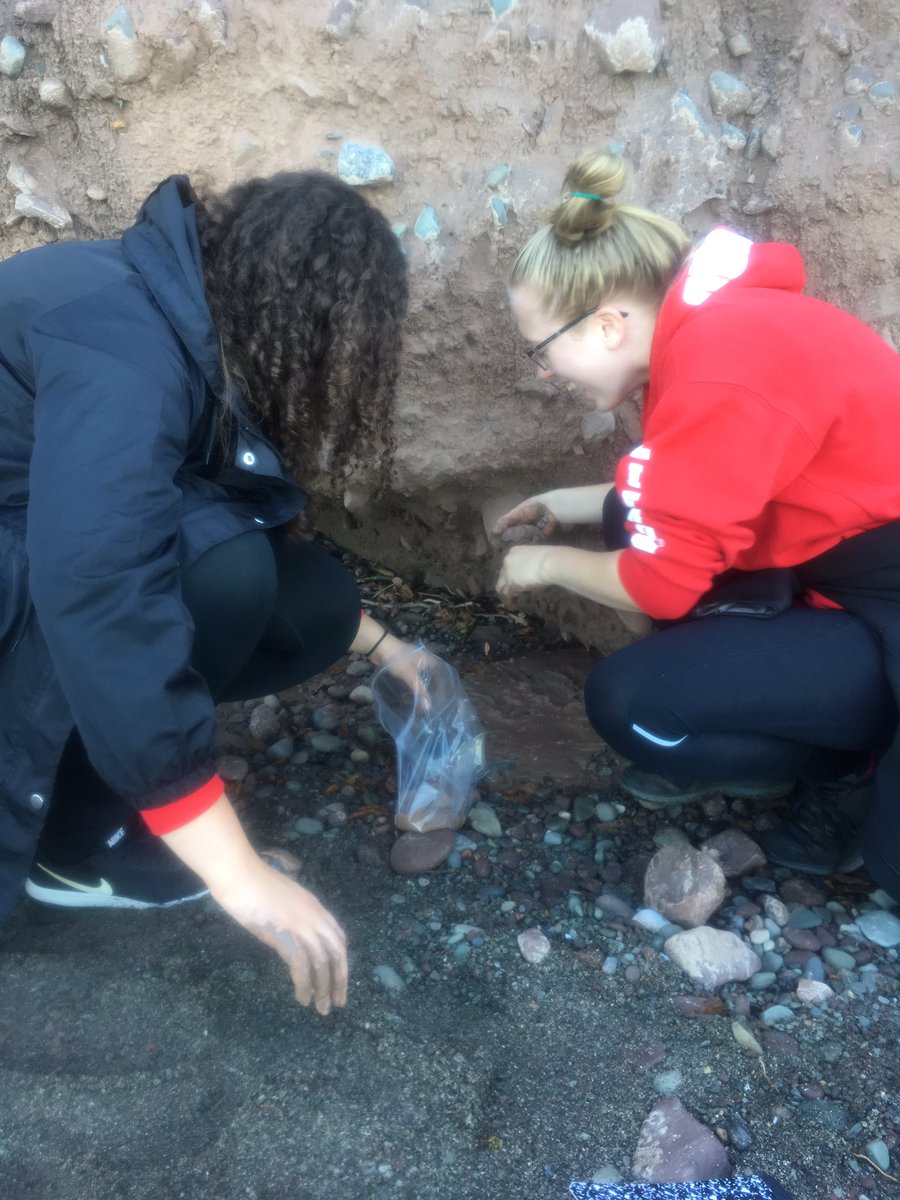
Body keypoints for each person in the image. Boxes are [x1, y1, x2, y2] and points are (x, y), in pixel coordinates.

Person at [0, 168, 418, 1015]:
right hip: (42, 570)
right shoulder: (120, 350)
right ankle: (73, 845)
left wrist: (391, 648)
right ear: (289, 307)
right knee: (225, 573)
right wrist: (239, 873)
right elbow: (99, 588)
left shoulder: (169, 305)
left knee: (316, 603)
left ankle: (115, 790)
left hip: (33, 542)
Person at [493, 150, 900, 902]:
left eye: (544, 351)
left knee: (633, 706)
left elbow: (660, 588)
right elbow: (692, 482)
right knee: (628, 511)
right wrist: (572, 501)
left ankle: (851, 765)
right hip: (841, 557)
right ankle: (808, 704)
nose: (545, 373)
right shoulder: (711, 328)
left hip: (884, 598)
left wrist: (541, 564)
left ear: (609, 325)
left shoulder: (721, 368)